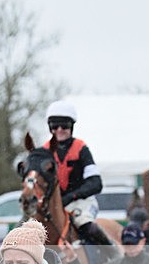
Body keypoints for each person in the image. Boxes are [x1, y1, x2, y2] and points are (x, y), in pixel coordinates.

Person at [44, 100, 113, 248]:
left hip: (81, 203)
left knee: (88, 227)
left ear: (72, 126)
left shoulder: (81, 149)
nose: (59, 129)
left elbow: (96, 183)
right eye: (55, 125)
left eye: (64, 125)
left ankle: (113, 254)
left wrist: (71, 196)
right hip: (54, 206)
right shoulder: (44, 152)